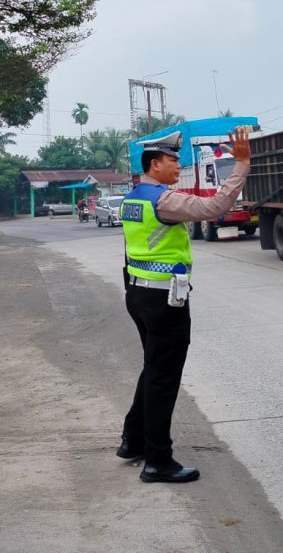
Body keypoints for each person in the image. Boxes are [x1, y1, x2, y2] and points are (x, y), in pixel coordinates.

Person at [116, 126, 252, 483]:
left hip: (138, 293)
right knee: (163, 378)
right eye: (173, 160)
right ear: (155, 163)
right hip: (164, 300)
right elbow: (215, 206)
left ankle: (133, 441)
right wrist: (241, 165)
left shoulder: (134, 198)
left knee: (153, 368)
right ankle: (158, 460)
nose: (179, 165)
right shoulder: (164, 201)